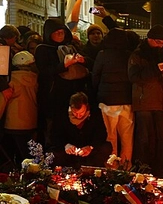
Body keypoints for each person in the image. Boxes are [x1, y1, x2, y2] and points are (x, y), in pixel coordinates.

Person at [128, 25, 163, 175]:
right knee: (144, 138)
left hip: (162, 100)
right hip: (144, 101)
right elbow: (134, 77)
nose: (161, 45)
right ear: (150, 39)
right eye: (159, 42)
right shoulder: (138, 54)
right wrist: (156, 69)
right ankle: (143, 168)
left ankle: (161, 168)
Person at [35, 17, 88, 147]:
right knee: (54, 130)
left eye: (62, 31)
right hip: (53, 97)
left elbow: (89, 64)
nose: (60, 34)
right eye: (56, 32)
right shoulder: (43, 49)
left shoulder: (70, 47)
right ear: (49, 34)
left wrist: (82, 60)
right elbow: (45, 71)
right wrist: (63, 65)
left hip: (72, 94)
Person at [90, 28, 138, 166]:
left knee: (110, 136)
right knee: (127, 137)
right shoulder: (129, 55)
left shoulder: (102, 55)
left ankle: (111, 167)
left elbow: (95, 76)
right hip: (126, 100)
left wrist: (96, 92)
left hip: (107, 101)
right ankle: (126, 166)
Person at [57, 92, 111, 168]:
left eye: (81, 112)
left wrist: (90, 147)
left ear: (87, 106)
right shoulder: (62, 114)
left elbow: (101, 134)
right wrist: (66, 145)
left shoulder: (95, 113)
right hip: (70, 150)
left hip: (88, 149)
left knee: (106, 148)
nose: (78, 116)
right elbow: (55, 135)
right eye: (75, 113)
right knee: (54, 153)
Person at [3, 51, 37, 159]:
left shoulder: (11, 80)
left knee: (15, 150)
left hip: (13, 120)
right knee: (28, 150)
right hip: (31, 119)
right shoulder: (35, 79)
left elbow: (4, 98)